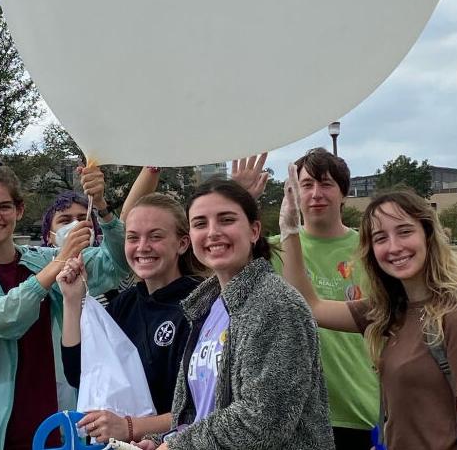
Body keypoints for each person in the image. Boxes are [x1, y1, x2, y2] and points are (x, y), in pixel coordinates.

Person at [279, 172, 457, 450]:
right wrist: (290, 229)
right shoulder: (385, 313)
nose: (394, 247)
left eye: (404, 232)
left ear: (427, 236)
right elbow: (311, 306)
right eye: (380, 238)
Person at [0, 158, 132, 450]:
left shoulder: (41, 260)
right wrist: (60, 262)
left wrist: (102, 207)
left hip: (48, 430)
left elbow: (116, 264)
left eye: (4, 206)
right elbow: (2, 317)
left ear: (19, 210)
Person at [139, 178, 333, 450]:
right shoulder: (204, 308)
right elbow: (202, 413)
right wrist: (163, 440)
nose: (212, 232)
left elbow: (263, 420)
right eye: (200, 223)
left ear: (254, 231)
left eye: (226, 220)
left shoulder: (276, 304)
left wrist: (177, 446)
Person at [58, 192, 202, 443]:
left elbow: (205, 406)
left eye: (155, 236)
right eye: (133, 237)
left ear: (182, 243)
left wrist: (131, 426)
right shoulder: (125, 304)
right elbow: (79, 373)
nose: (142, 247)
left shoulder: (201, 305)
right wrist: (71, 301)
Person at [270, 149, 379, 449]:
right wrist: (239, 194)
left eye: (327, 184)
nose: (316, 193)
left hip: (357, 406)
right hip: (293, 411)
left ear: (344, 194)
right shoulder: (274, 249)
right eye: (306, 185)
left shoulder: (371, 249)